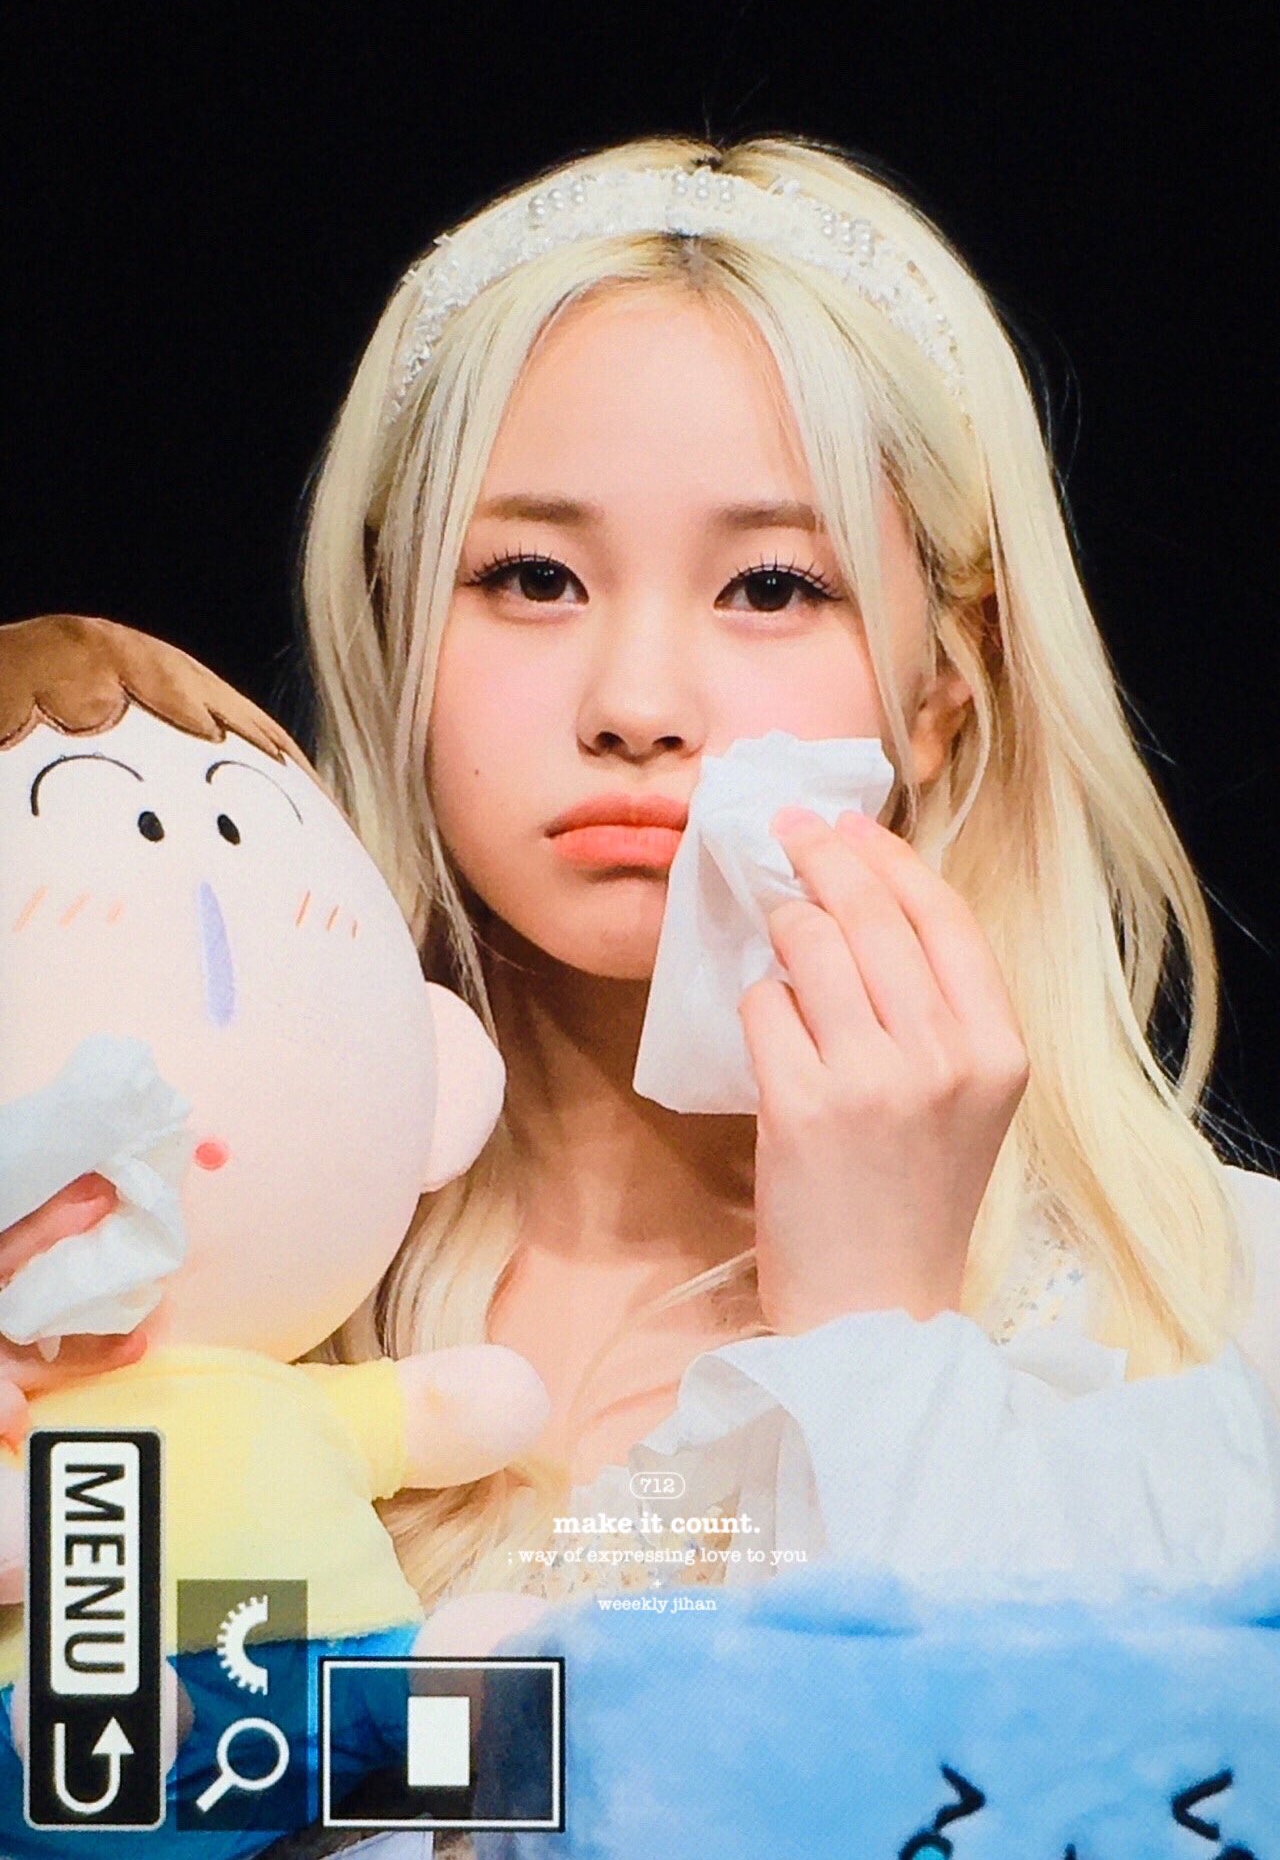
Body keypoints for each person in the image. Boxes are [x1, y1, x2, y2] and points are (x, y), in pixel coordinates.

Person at [5, 132, 1280, 1856]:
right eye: (531, 578)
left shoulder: (1219, 1317)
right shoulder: (170, 1273)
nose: (637, 700)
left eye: (773, 586)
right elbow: (106, 1794)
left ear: (943, 688)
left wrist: (880, 1345)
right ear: (397, 634)